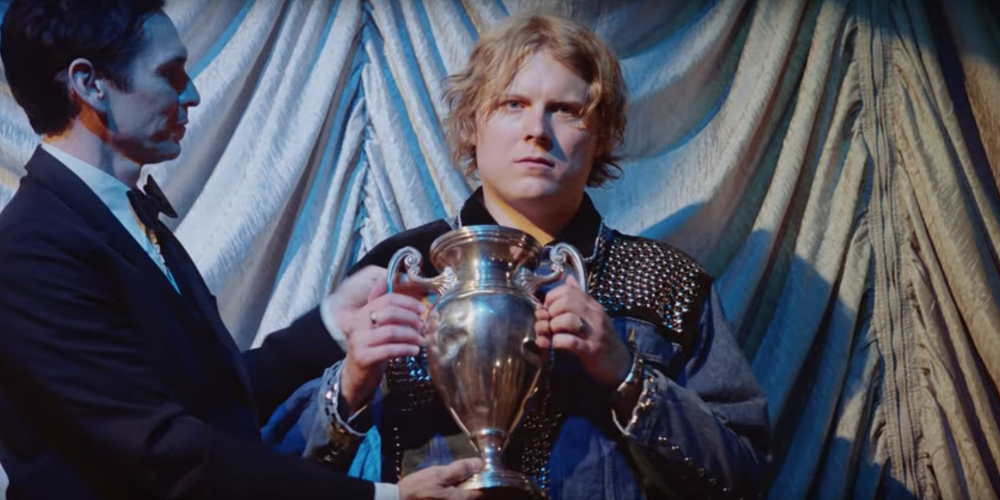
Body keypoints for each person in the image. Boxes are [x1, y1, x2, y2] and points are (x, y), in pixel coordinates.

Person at [0, 1, 482, 499]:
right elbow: (159, 451)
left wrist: (332, 322)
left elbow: (216, 405)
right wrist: (384, 496)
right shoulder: (29, 249)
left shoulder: (124, 219)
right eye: (169, 74)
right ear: (89, 84)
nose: (192, 93)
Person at [283, 12, 770, 500]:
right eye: (513, 104)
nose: (537, 130)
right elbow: (268, 470)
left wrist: (626, 372)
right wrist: (350, 387)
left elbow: (743, 480)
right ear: (472, 124)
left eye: (566, 109)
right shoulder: (399, 270)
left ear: (601, 135)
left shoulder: (664, 282)